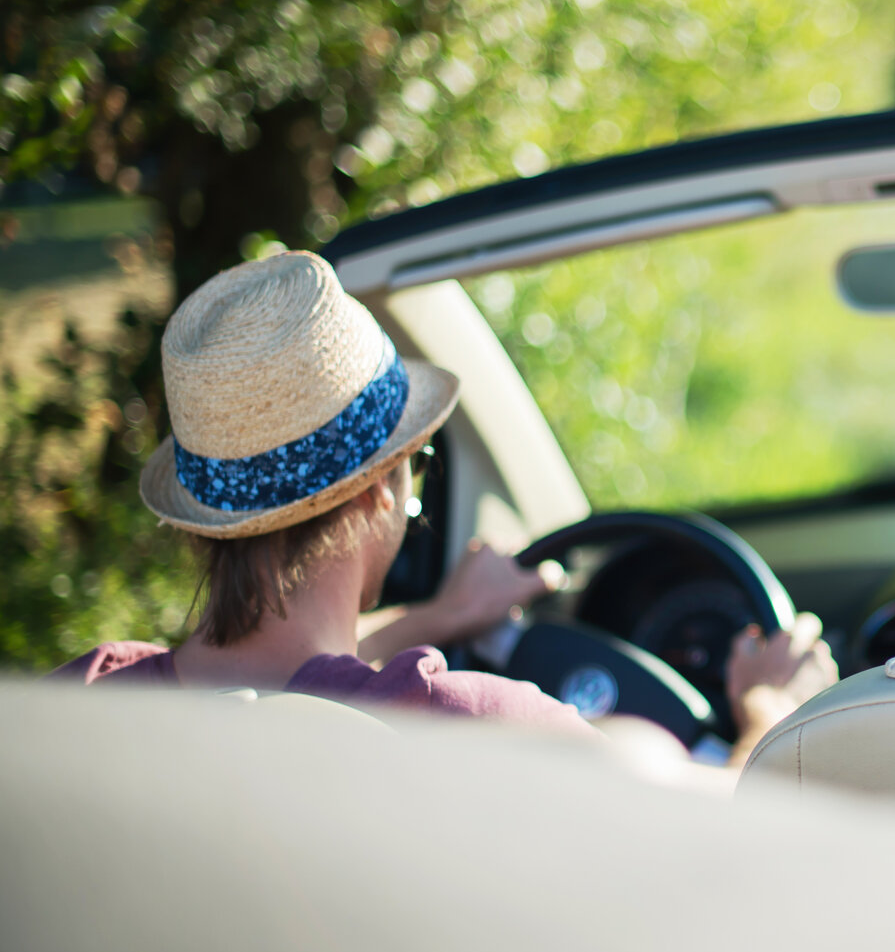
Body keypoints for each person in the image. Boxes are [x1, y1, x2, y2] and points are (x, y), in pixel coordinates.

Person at [54, 251, 837, 780]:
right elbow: (728, 831)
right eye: (415, 467)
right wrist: (773, 714)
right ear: (379, 491)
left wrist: (446, 612)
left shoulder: (76, 712)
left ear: (204, 521)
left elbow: (270, 667)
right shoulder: (470, 730)